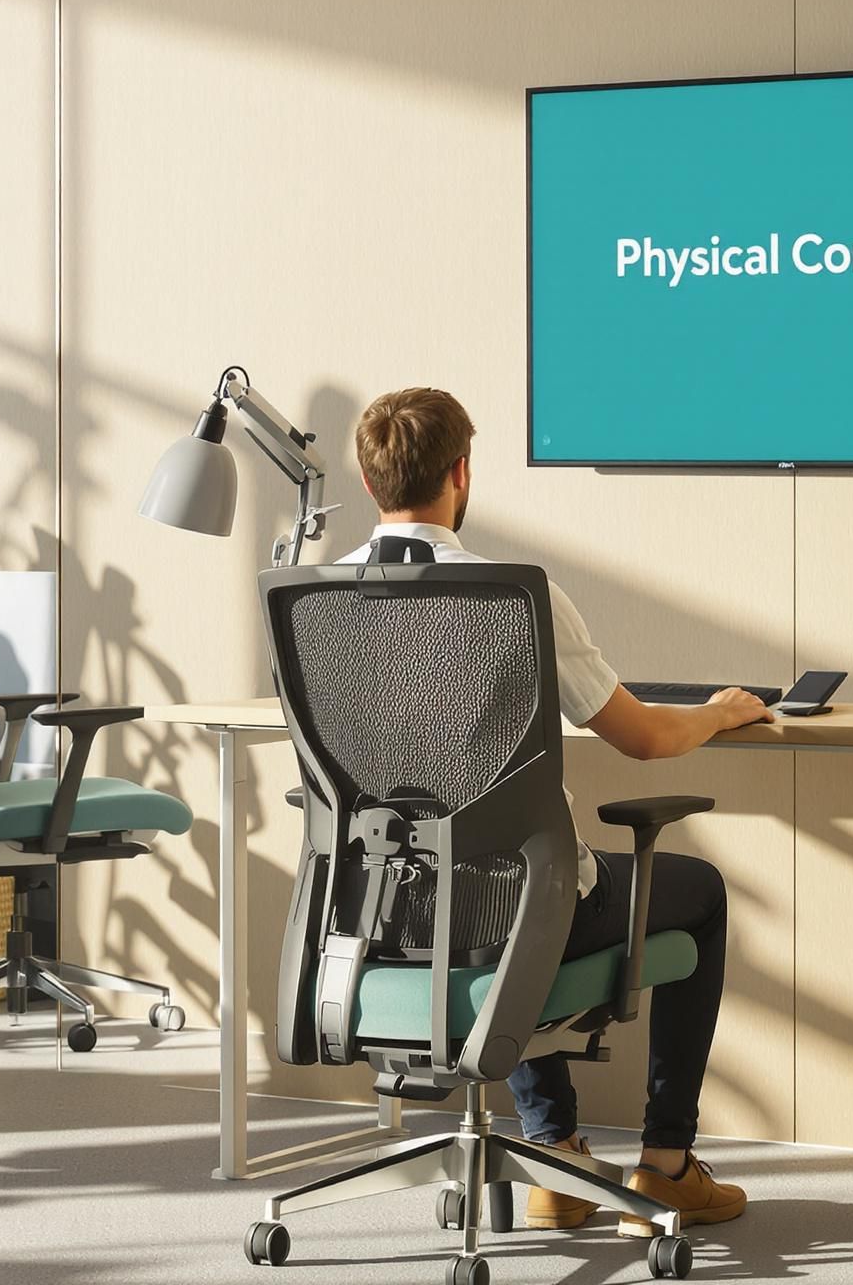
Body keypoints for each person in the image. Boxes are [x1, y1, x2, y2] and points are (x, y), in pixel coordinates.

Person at [337, 387, 767, 1239]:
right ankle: (668, 1166)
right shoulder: (514, 595)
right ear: (463, 473)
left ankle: (558, 1157)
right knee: (695, 891)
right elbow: (643, 738)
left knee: (511, 882)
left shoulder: (320, 599)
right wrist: (723, 710)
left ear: (364, 476)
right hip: (520, 909)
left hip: (387, 909)